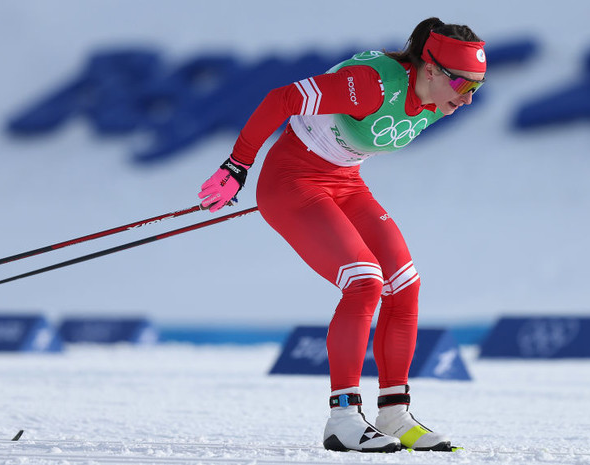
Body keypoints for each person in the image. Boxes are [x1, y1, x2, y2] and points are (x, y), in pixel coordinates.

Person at [198, 17, 486, 453]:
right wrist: (236, 166)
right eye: (464, 86)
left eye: (476, 89)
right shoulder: (369, 85)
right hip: (292, 180)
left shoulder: (437, 101)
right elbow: (282, 100)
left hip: (345, 182)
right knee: (364, 282)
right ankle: (343, 419)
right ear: (430, 69)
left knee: (405, 286)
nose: (468, 99)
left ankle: (394, 414)